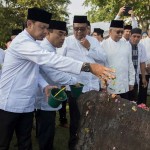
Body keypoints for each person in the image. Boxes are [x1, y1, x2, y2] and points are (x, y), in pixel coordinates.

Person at [0, 7, 115, 150]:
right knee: (3, 143)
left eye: (47, 28)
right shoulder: (23, 42)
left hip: (27, 104)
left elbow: (35, 72)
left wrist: (44, 86)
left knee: (25, 143)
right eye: (42, 27)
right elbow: (50, 60)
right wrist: (88, 67)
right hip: (10, 103)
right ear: (29, 24)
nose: (45, 32)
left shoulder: (34, 43)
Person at [58, 15, 107, 150]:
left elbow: (103, 58)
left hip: (92, 87)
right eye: (76, 29)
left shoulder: (94, 41)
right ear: (72, 28)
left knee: (91, 118)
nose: (79, 32)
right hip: (75, 88)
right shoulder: (67, 42)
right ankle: (73, 146)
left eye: (82, 29)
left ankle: (88, 145)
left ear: (87, 29)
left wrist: (89, 47)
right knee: (76, 120)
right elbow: (59, 61)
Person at [35, 20, 77, 150]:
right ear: (48, 32)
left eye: (65, 34)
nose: (63, 38)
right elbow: (55, 75)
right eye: (60, 34)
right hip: (44, 99)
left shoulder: (51, 49)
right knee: (46, 134)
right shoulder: (44, 50)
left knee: (47, 132)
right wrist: (75, 81)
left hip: (50, 97)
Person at [101, 20, 135, 99]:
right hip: (110, 84)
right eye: (118, 32)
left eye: (121, 32)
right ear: (110, 31)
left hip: (124, 83)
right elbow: (101, 66)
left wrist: (131, 81)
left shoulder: (127, 45)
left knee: (124, 108)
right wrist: (103, 84)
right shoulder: (103, 45)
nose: (120, 35)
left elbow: (130, 63)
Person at [128, 28, 147, 102]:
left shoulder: (141, 47)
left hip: (135, 79)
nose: (136, 38)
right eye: (134, 36)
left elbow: (142, 63)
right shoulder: (125, 45)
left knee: (133, 101)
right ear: (130, 36)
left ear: (141, 37)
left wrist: (143, 78)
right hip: (125, 79)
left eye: (138, 37)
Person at [138, 29, 150, 104]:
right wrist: (146, 66)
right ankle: (142, 106)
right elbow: (141, 56)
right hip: (144, 69)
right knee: (143, 90)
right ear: (149, 31)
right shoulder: (142, 42)